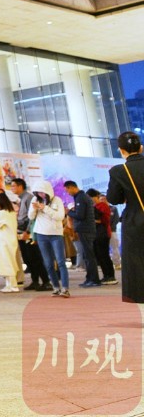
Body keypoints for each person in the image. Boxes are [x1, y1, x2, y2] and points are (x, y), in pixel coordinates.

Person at [107, 130, 144, 303]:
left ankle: (140, 296)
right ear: (141, 148)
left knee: (137, 261)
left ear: (122, 151)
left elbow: (114, 198)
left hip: (135, 221)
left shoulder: (119, 171)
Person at [9, 178, 50, 291]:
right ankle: (35, 281)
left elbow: (32, 217)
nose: (12, 188)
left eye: (13, 186)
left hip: (29, 233)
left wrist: (27, 231)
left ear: (20, 186)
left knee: (35, 258)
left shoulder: (29, 198)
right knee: (28, 259)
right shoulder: (21, 199)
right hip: (22, 233)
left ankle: (46, 281)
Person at [30, 183, 69, 297]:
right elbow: (30, 217)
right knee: (48, 263)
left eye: (42, 192)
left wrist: (45, 208)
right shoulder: (35, 199)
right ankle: (56, 287)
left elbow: (60, 216)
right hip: (41, 235)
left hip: (56, 234)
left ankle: (65, 288)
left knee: (61, 261)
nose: (40, 195)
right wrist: (34, 209)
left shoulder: (57, 200)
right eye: (38, 193)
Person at [65, 180, 101, 287]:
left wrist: (69, 212)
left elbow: (80, 215)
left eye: (67, 190)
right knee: (87, 256)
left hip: (85, 230)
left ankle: (94, 280)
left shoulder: (81, 197)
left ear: (71, 187)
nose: (67, 193)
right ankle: (89, 278)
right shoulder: (81, 197)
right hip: (85, 229)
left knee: (89, 256)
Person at [0, 192, 22, 293]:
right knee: (10, 262)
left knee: (7, 263)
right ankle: (9, 285)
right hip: (9, 241)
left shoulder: (2, 213)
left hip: (3, 242)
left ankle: (13, 285)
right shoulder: (11, 212)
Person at [90, 190, 117, 284]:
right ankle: (106, 275)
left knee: (104, 255)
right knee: (100, 256)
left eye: (90, 198)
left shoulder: (103, 206)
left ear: (94, 197)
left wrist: (96, 221)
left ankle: (111, 276)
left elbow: (105, 220)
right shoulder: (94, 206)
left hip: (103, 233)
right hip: (97, 233)